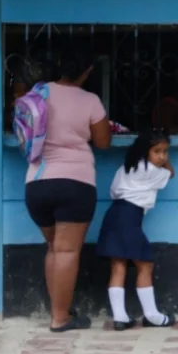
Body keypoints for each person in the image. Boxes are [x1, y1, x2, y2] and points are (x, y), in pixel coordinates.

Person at [24, 46, 112, 333]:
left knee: (53, 248)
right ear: (87, 72)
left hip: (37, 183)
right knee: (66, 251)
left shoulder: (39, 93)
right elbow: (102, 142)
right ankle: (60, 318)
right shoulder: (90, 101)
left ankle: (58, 310)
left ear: (60, 63)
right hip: (75, 182)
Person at [96, 130, 177, 330]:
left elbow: (114, 191)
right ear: (144, 151)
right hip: (130, 217)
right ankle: (152, 315)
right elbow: (172, 173)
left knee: (118, 265)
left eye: (166, 152)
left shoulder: (124, 168)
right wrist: (165, 162)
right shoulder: (152, 171)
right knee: (145, 264)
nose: (162, 157)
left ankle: (120, 317)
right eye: (157, 151)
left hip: (114, 214)